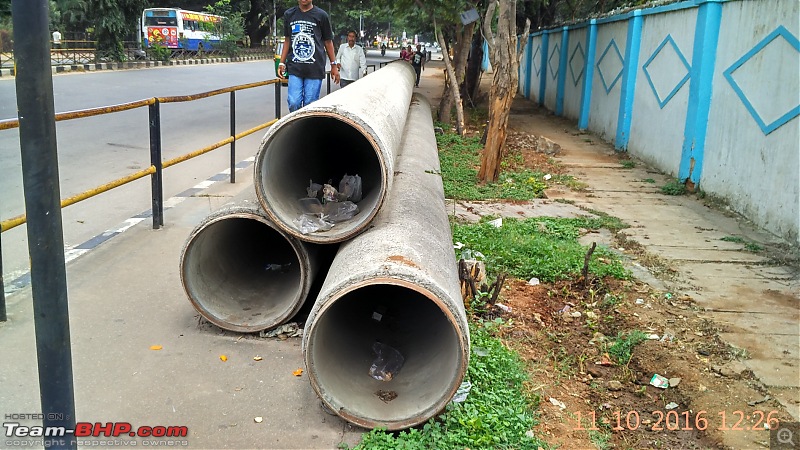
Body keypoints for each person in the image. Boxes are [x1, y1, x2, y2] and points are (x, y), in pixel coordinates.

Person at [277, 0, 340, 112]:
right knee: (293, 102)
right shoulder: (289, 14)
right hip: (295, 67)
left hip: (314, 68)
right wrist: (282, 62)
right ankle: (297, 126)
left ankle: (306, 128)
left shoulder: (321, 15)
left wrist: (333, 65)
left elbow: (328, 42)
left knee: (310, 104)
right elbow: (287, 40)